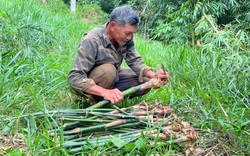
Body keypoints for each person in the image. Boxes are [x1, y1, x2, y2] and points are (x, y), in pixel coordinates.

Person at [68, 5, 169, 105]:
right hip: (93, 83)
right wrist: (105, 92)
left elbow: (134, 60)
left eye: (132, 34)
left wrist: (154, 76)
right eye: (127, 33)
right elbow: (75, 78)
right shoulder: (92, 40)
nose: (129, 37)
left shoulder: (125, 39)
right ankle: (97, 101)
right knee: (109, 70)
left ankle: (113, 97)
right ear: (112, 26)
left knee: (145, 80)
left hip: (113, 77)